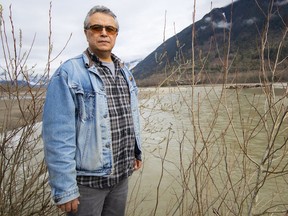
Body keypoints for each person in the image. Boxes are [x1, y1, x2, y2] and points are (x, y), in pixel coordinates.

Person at [42, 5, 142, 216]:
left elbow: (131, 116)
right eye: (97, 28)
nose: (104, 33)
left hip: (121, 176)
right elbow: (57, 135)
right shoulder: (69, 73)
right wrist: (65, 188)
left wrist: (136, 149)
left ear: (116, 34)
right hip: (88, 183)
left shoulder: (125, 72)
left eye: (110, 29)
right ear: (86, 32)